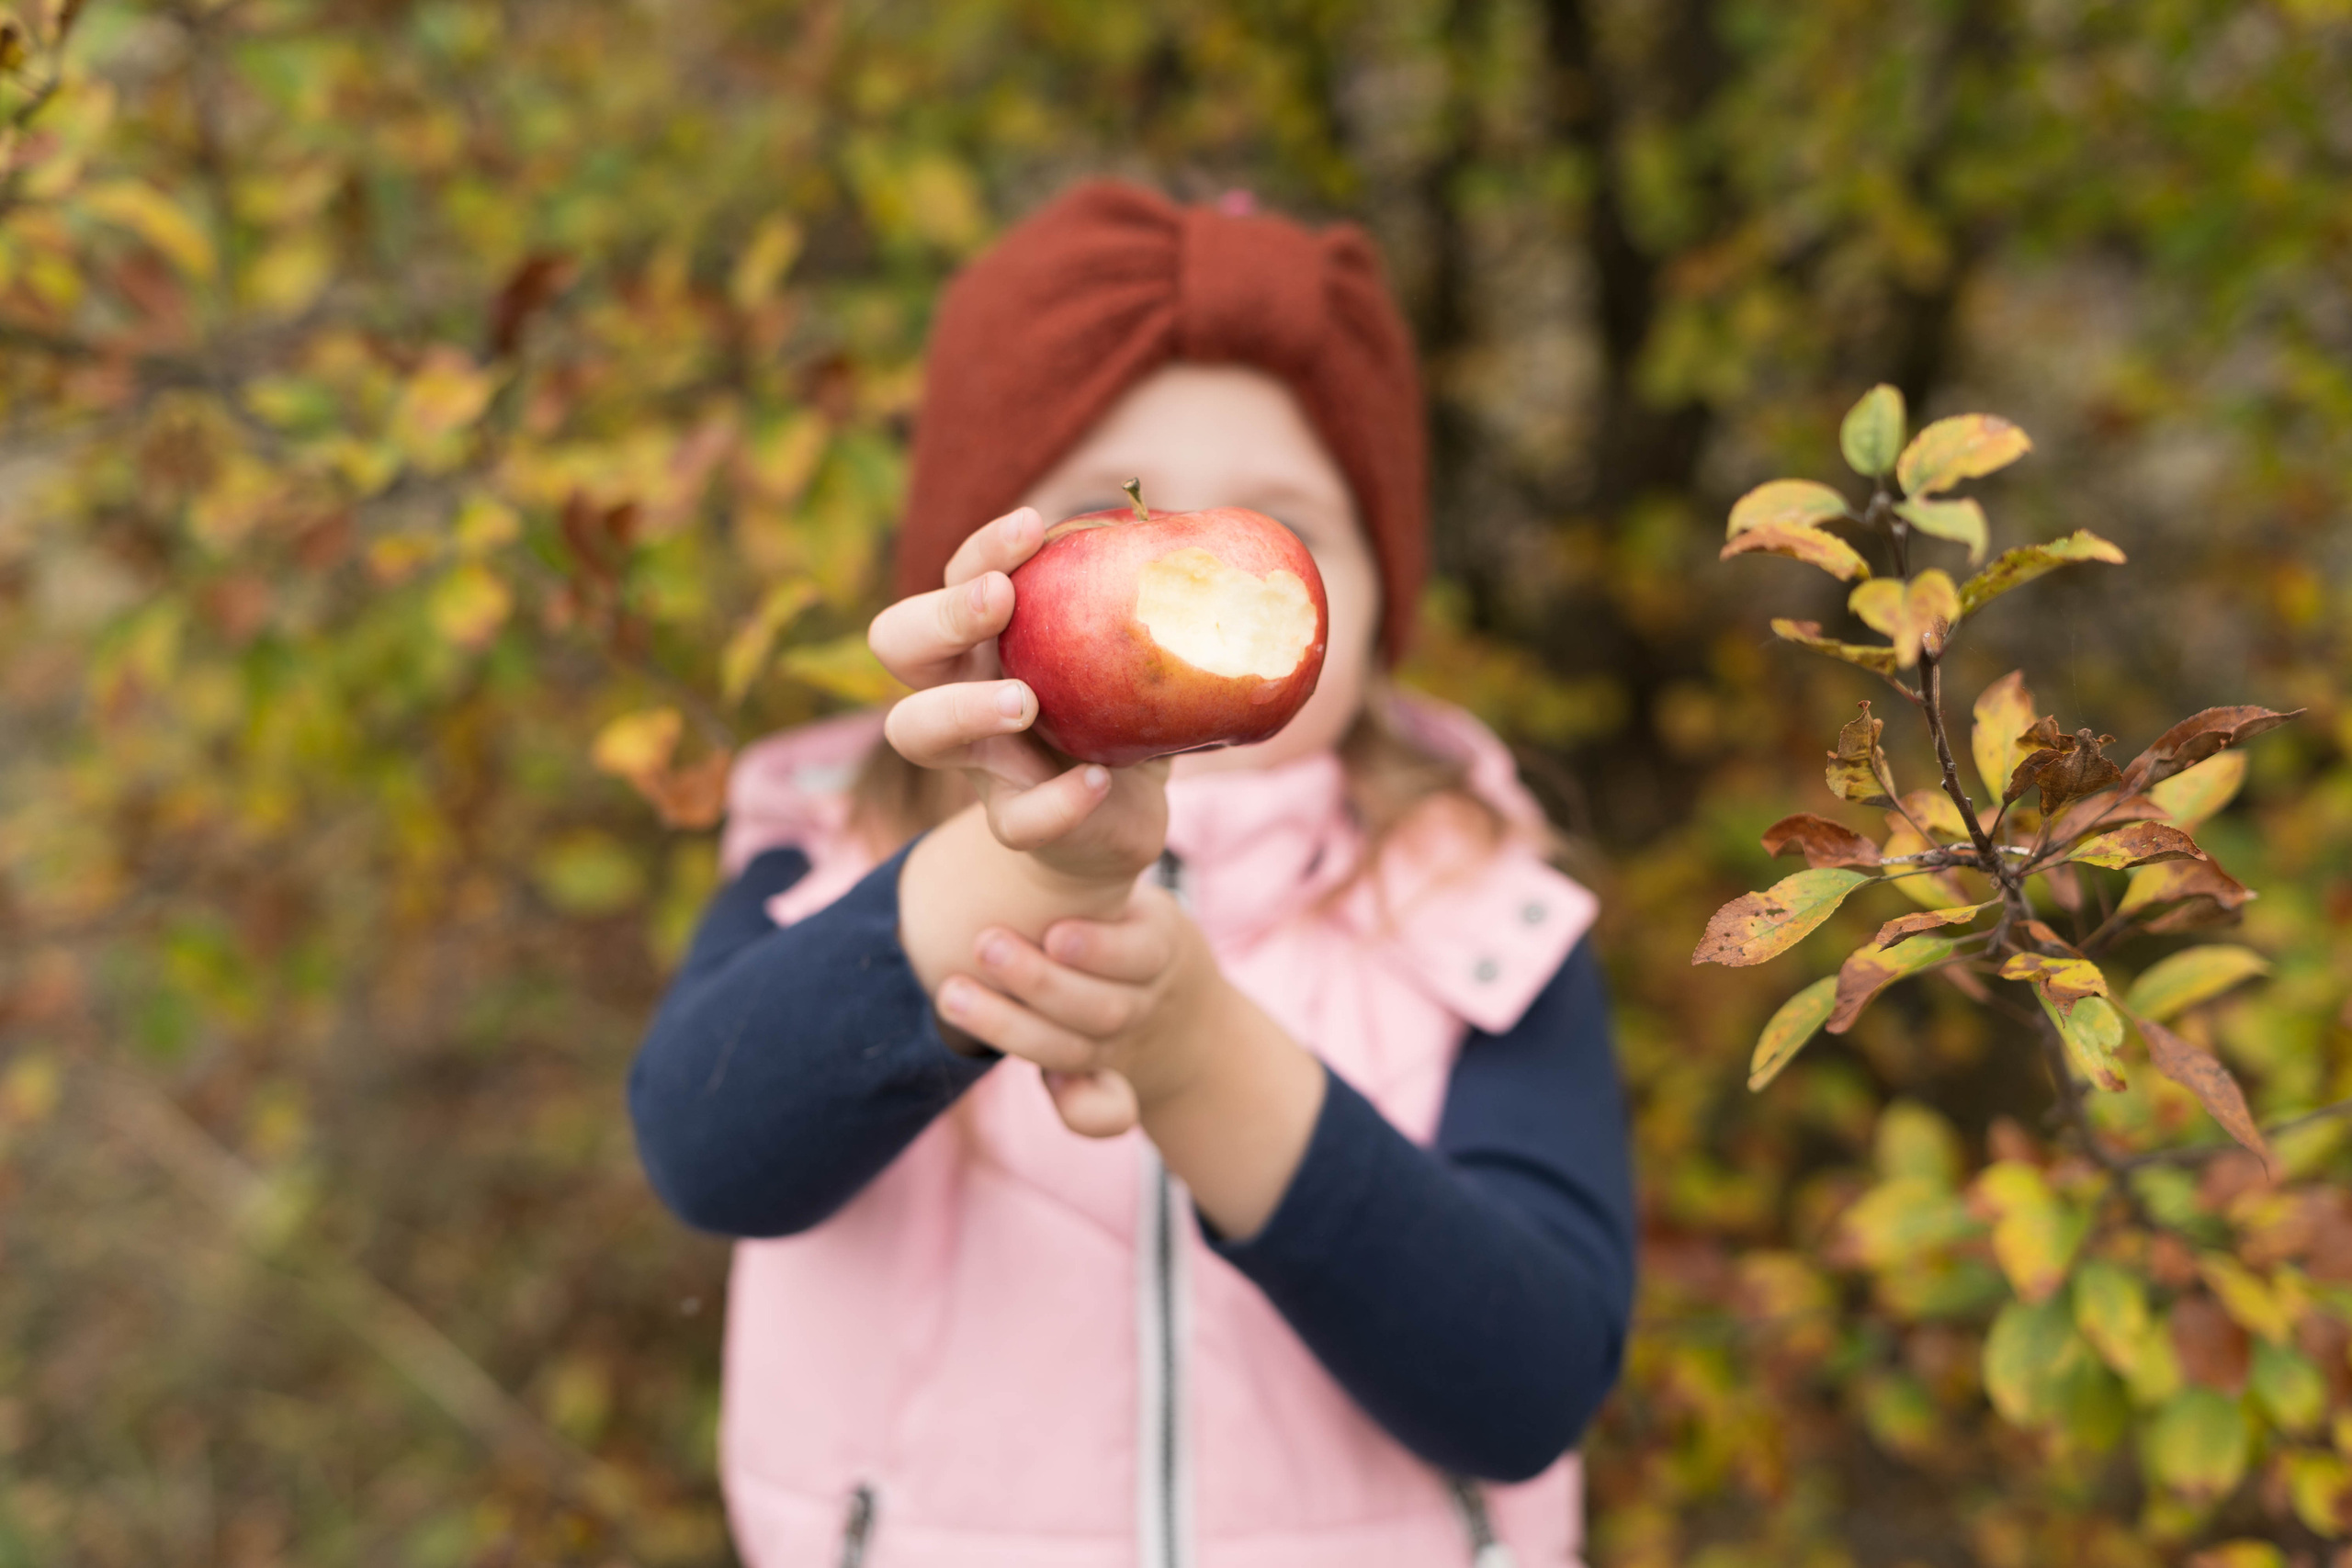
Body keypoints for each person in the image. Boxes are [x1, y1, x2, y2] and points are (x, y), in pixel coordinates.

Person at [628, 180, 1635, 1568]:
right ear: (978, 579)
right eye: (1106, 514)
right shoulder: (825, 865)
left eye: (1284, 520)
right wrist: (1020, 879)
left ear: (1376, 602)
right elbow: (711, 1152)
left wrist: (1192, 1051)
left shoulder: (1475, 913)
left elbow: (1528, 1384)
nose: (1183, 549)